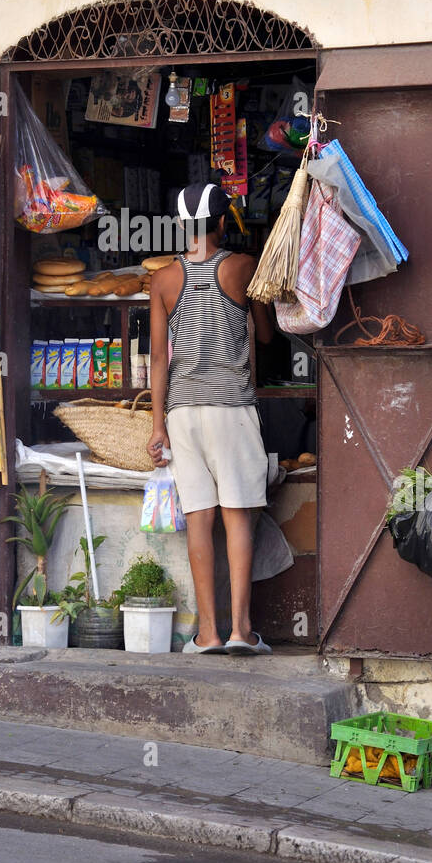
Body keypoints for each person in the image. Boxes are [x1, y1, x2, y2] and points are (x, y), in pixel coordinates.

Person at [147, 182, 275, 655]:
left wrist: (158, 425)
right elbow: (264, 336)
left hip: (182, 414)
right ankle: (242, 632)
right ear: (222, 223)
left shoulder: (162, 280)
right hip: (231, 410)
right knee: (237, 517)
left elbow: (160, 358)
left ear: (182, 226)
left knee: (199, 519)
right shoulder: (242, 267)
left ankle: (207, 634)